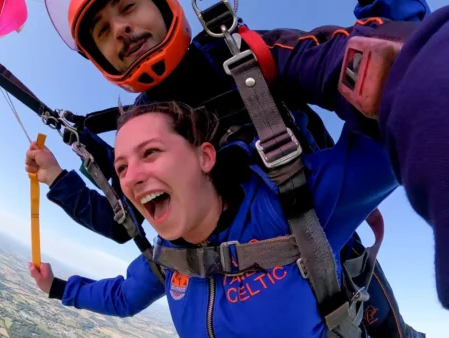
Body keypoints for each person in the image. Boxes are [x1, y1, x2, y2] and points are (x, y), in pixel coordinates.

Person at [38, 0, 431, 336]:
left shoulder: (238, 57)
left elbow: (366, 78)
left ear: (205, 155)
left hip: (320, 245)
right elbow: (123, 232)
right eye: (103, 30)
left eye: (128, 6)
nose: (121, 29)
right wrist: (58, 188)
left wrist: (395, 63)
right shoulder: (169, 255)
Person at [27, 95, 401, 337]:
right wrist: (58, 289)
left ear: (205, 157)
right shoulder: (167, 259)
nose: (132, 176)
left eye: (151, 152)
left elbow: (404, 117)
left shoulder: (292, 206)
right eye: (121, 168)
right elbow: (123, 296)